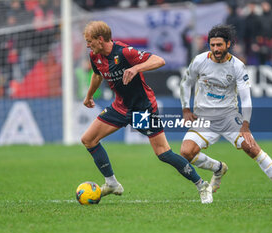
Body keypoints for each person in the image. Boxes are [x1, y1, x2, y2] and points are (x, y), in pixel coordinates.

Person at [81, 21, 213, 204]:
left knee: (163, 153)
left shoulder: (124, 52)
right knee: (88, 139)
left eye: (89, 41)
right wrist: (89, 96)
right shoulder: (95, 56)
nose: (88, 45)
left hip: (142, 109)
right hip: (120, 107)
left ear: (101, 39)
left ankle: (202, 184)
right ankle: (111, 183)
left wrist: (136, 68)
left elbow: (160, 60)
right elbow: (96, 75)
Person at [179, 24, 272, 198]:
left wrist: (245, 125)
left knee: (252, 148)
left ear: (228, 44)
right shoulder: (199, 61)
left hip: (229, 117)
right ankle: (218, 168)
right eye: (212, 45)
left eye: (219, 45)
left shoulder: (237, 66)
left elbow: (246, 98)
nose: (215, 49)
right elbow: (185, 83)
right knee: (186, 152)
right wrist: (186, 109)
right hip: (204, 118)